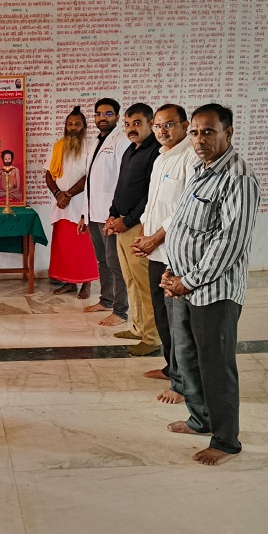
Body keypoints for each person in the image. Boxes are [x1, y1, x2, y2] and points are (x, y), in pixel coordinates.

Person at [161, 103, 260, 466]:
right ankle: (200, 419)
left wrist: (188, 281)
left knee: (216, 365)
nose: (199, 139)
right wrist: (172, 271)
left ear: (228, 133)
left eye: (208, 132)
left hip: (214, 291)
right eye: (195, 132)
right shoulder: (201, 170)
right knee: (188, 358)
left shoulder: (238, 178)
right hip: (184, 285)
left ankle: (225, 440)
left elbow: (229, 242)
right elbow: (183, 226)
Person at [131, 104, 197, 404]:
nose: (162, 131)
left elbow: (185, 209)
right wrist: (145, 236)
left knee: (178, 320)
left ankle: (184, 384)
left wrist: (155, 238)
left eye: (169, 124)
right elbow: (153, 204)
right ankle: (172, 368)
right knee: (161, 314)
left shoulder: (191, 157)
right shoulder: (160, 158)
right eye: (157, 126)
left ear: (184, 125)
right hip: (155, 250)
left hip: (176, 254)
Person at [104, 103, 161, 355]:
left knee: (145, 284)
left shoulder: (156, 152)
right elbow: (121, 187)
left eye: (137, 123)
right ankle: (138, 327)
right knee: (131, 281)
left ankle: (152, 337)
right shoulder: (130, 150)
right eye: (127, 124)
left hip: (139, 227)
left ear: (151, 123)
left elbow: (149, 195)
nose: (131, 129)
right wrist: (112, 214)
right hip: (122, 225)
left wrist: (126, 221)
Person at [78, 98, 130, 325]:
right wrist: (84, 214)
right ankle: (106, 300)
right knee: (102, 261)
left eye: (108, 114)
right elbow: (90, 181)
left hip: (110, 214)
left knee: (115, 263)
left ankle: (120, 311)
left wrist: (116, 214)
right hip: (93, 213)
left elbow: (123, 180)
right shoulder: (95, 142)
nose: (102, 118)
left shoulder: (122, 140)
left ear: (117, 117)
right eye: (98, 114)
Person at [45, 106, 98, 299]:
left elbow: (90, 175)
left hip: (81, 204)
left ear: (84, 126)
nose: (73, 127)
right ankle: (69, 282)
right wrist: (57, 194)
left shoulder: (91, 146)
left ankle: (86, 283)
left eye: (77, 124)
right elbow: (48, 174)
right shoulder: (58, 146)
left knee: (84, 246)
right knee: (65, 246)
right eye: (70, 124)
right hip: (61, 206)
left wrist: (68, 194)